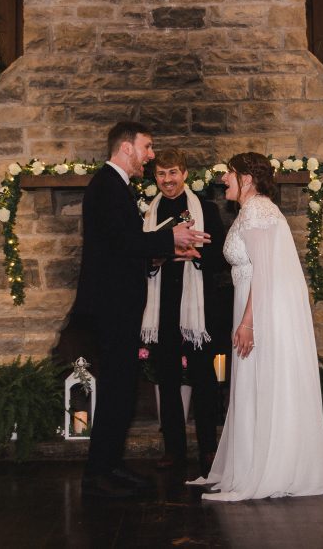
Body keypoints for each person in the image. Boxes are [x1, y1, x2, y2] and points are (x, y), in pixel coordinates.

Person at [73, 121, 211, 499]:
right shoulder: (106, 185)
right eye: (147, 147)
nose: (151, 156)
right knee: (117, 388)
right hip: (110, 305)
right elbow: (125, 241)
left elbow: (126, 243)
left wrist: (170, 247)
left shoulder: (115, 186)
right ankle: (100, 471)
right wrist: (172, 237)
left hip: (117, 304)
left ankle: (109, 465)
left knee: (121, 389)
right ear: (127, 148)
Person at [189, 152, 323, 501]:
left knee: (263, 382)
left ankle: (267, 468)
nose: (224, 180)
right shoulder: (250, 211)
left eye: (230, 175)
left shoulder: (258, 212)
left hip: (260, 310)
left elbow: (264, 274)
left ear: (247, 179)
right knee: (252, 384)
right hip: (251, 303)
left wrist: (248, 323)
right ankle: (249, 463)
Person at [141, 149, 226, 476]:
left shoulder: (206, 209)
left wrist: (196, 255)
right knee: (167, 379)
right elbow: (139, 258)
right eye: (161, 174)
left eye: (173, 173)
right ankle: (173, 449)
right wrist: (155, 259)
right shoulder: (148, 213)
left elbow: (221, 258)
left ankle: (207, 448)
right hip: (162, 306)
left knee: (205, 378)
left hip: (200, 309)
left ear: (185, 174)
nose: (167, 180)